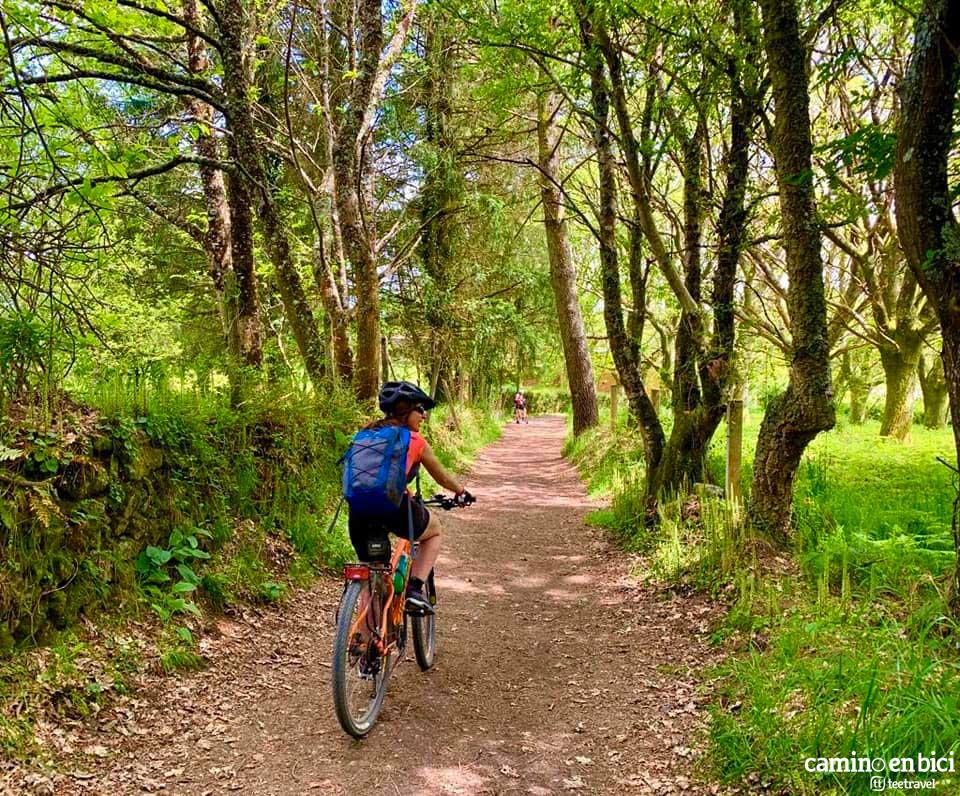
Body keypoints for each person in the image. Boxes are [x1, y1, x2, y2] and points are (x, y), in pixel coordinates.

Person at [347, 380, 470, 614]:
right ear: (406, 413)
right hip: (394, 509)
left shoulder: (365, 434)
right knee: (434, 531)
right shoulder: (414, 440)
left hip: (358, 512)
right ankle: (414, 590)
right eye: (420, 410)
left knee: (374, 576)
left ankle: (361, 642)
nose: (423, 416)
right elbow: (442, 477)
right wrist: (461, 492)